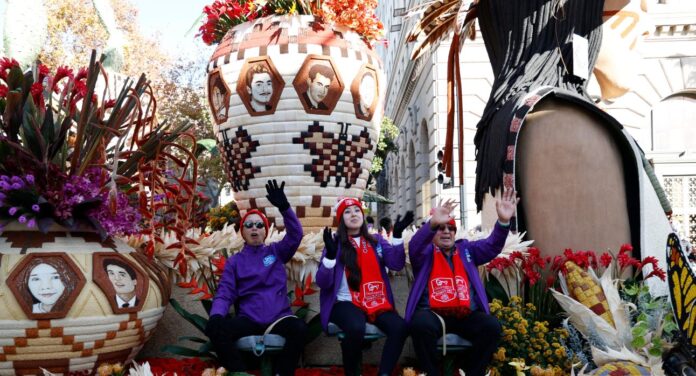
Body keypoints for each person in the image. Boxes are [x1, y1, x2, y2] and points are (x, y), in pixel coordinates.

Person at [406, 188, 519, 376]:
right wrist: (433, 222)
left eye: (451, 228)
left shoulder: (467, 250)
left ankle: (470, 372)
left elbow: (492, 246)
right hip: (432, 314)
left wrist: (503, 222)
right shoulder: (424, 253)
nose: (446, 232)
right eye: (441, 228)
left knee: (491, 327)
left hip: (465, 314)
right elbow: (415, 245)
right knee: (420, 325)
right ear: (432, 233)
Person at [205, 180, 307, 375]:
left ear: (264, 231)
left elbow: (296, 235)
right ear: (242, 232)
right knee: (216, 329)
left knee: (300, 329)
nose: (254, 228)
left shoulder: (276, 252)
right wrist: (217, 315)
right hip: (249, 319)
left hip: (278, 318)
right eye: (249, 225)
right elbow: (225, 293)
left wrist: (284, 207)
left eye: (259, 225)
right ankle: (241, 373)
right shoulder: (235, 262)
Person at [317, 198, 414, 376]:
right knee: (355, 326)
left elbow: (396, 264)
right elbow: (323, 283)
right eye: (347, 211)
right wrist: (330, 256)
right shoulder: (335, 243)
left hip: (375, 301)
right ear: (341, 220)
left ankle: (383, 373)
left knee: (400, 328)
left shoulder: (376, 240)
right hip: (344, 302)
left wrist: (397, 235)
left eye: (356, 210)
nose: (353, 214)